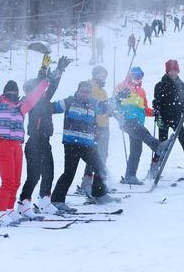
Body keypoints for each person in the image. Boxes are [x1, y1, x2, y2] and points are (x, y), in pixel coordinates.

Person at [0, 53, 50, 226]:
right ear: (5, 92)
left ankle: (8, 210)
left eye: (15, 92)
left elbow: (34, 96)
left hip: (17, 146)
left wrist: (44, 82)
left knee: (15, 181)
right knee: (7, 181)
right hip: (4, 145)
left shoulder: (21, 107)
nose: (13, 94)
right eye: (10, 91)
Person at [50, 81, 123, 212]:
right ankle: (57, 200)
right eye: (83, 91)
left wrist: (117, 98)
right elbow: (52, 108)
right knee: (69, 173)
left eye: (87, 92)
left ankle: (98, 194)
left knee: (100, 168)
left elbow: (105, 106)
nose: (85, 94)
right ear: (78, 91)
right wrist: (40, 104)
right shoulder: (69, 101)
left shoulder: (93, 103)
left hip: (87, 145)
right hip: (71, 143)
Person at [18, 55, 72, 218]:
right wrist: (43, 69)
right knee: (33, 175)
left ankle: (44, 202)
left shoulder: (43, 99)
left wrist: (60, 71)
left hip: (44, 140)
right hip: (34, 141)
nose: (42, 90)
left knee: (49, 173)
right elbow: (44, 84)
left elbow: (51, 85)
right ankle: (24, 202)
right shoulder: (29, 101)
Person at [116, 67, 169, 185]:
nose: (138, 77)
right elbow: (115, 100)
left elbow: (143, 109)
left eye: (140, 75)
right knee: (144, 134)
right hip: (127, 120)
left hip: (138, 122)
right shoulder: (123, 86)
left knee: (136, 150)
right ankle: (158, 146)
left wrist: (153, 112)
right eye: (135, 75)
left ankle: (130, 176)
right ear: (130, 75)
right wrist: (121, 92)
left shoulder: (142, 92)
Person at [151, 59, 184, 177]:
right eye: (171, 70)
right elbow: (156, 102)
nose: (173, 73)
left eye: (175, 70)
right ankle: (154, 168)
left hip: (177, 118)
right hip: (163, 117)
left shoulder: (181, 84)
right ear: (167, 71)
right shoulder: (160, 85)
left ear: (178, 71)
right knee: (162, 144)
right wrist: (156, 112)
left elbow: (181, 102)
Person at [79, 66, 111, 196]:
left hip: (104, 126)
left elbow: (105, 108)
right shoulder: (91, 86)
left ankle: (99, 182)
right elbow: (89, 104)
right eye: (101, 75)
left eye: (105, 76)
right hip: (95, 126)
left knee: (103, 154)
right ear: (95, 75)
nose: (103, 78)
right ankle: (87, 181)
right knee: (94, 155)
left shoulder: (103, 91)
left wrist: (110, 111)